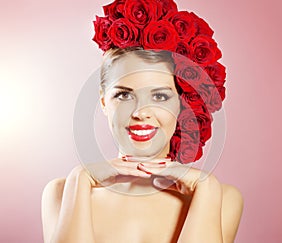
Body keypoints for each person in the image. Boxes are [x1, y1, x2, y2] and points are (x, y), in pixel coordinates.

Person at [42, 1, 243, 243]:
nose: (141, 112)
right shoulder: (62, 193)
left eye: (159, 96)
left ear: (182, 104)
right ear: (104, 102)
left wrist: (206, 187)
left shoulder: (220, 197)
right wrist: (80, 178)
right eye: (124, 95)